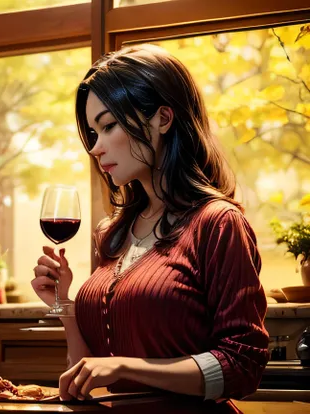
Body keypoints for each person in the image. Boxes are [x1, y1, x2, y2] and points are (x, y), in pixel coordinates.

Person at [31, 44, 269, 404]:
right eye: (92, 134)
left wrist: (128, 368)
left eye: (108, 126)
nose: (95, 149)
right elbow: (86, 372)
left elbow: (242, 365)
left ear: (163, 118)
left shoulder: (218, 224)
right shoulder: (110, 234)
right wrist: (64, 304)